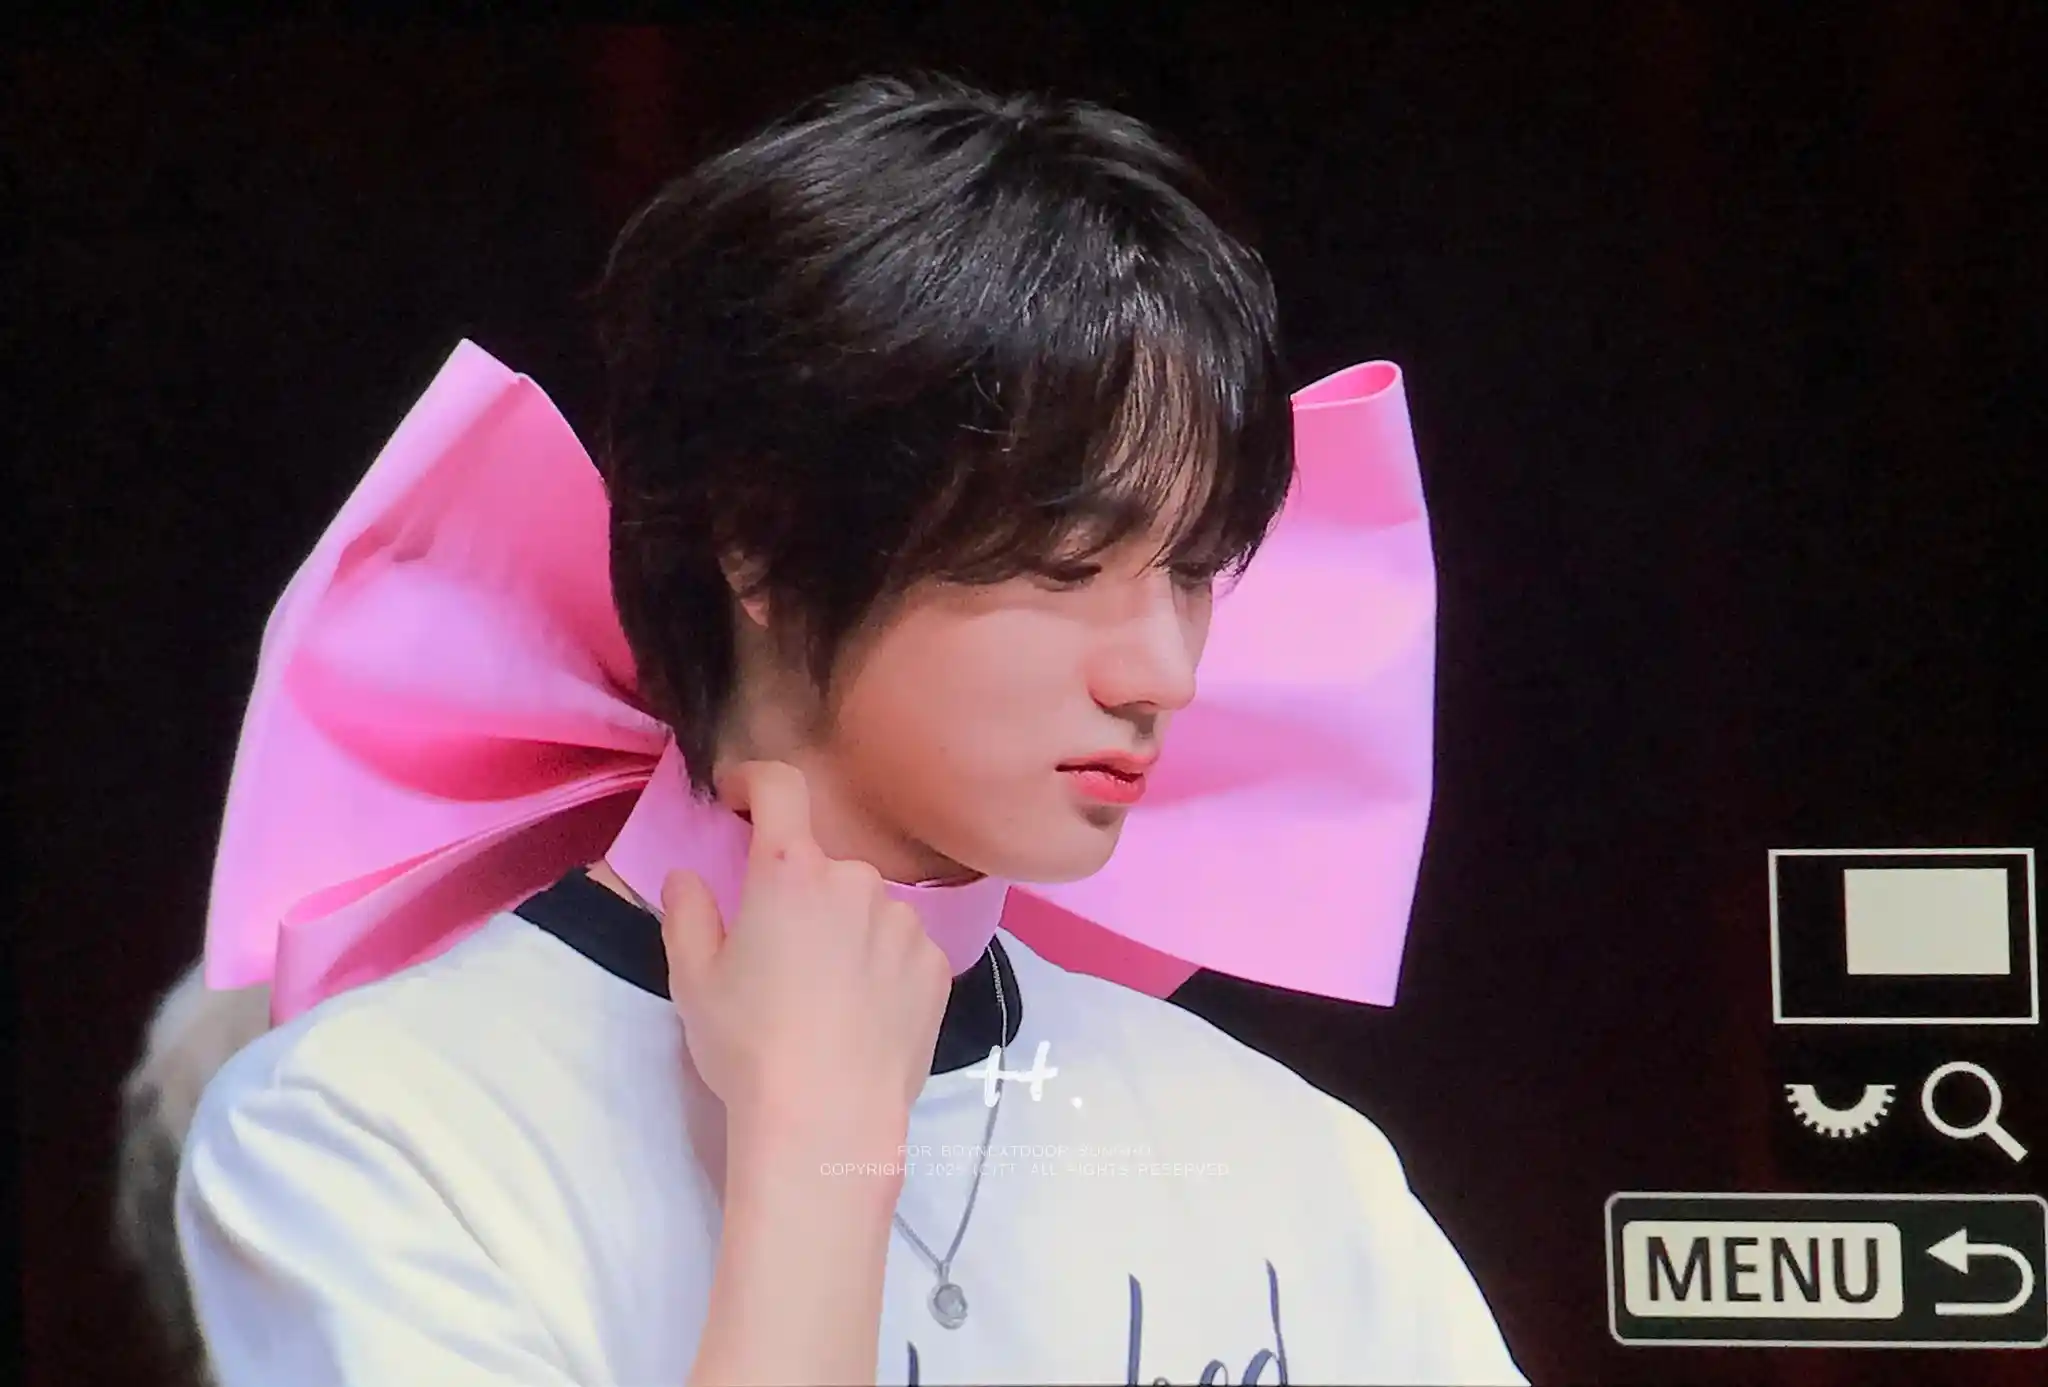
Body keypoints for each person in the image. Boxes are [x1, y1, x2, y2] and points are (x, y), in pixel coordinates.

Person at [165, 74, 1527, 1385]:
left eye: (1194, 571)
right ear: (760, 539)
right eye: (1067, 564)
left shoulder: (1287, 1162)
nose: (1161, 671)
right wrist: (818, 1157)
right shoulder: (369, 1136)